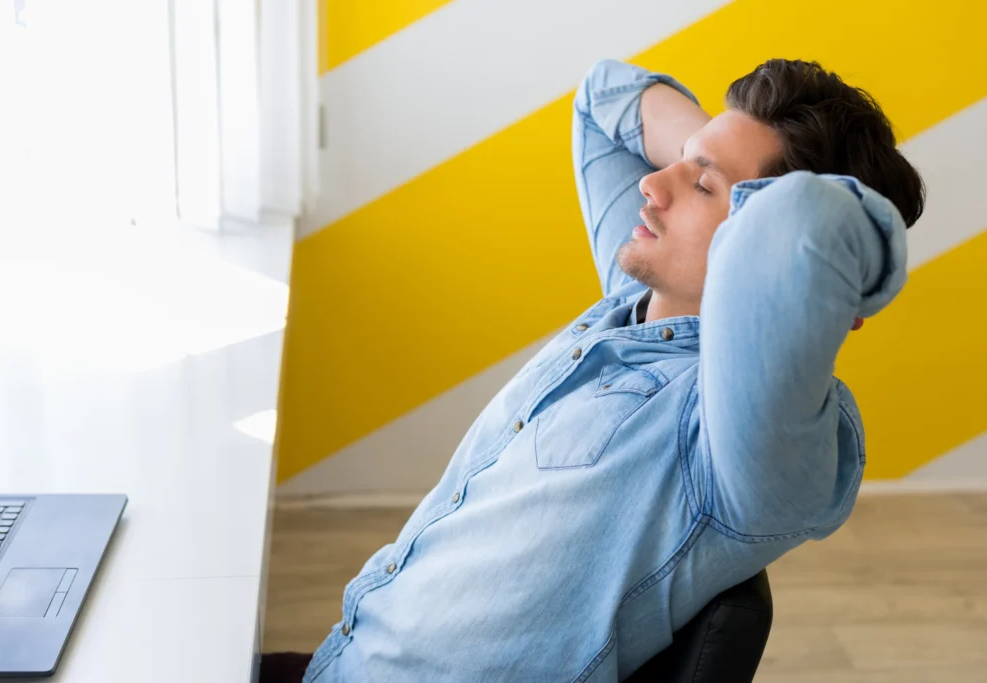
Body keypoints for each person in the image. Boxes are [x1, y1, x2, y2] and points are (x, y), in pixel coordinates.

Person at [266, 57, 925, 683]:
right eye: (677, 159)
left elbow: (801, 223)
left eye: (700, 185)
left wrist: (799, 237)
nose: (652, 183)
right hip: (344, 655)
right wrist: (706, 157)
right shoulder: (632, 298)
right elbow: (602, 97)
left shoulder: (743, 449)